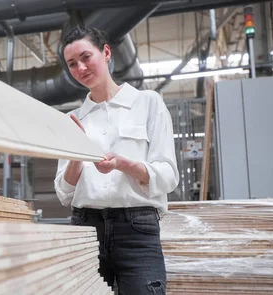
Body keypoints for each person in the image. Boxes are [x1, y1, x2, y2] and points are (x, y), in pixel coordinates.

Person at [54, 27, 179, 295]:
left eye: (86, 57)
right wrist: (77, 155)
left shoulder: (148, 103)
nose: (81, 68)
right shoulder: (74, 120)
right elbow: (64, 193)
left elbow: (167, 175)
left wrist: (124, 165)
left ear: (107, 52)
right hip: (85, 229)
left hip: (137, 230)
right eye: (72, 64)